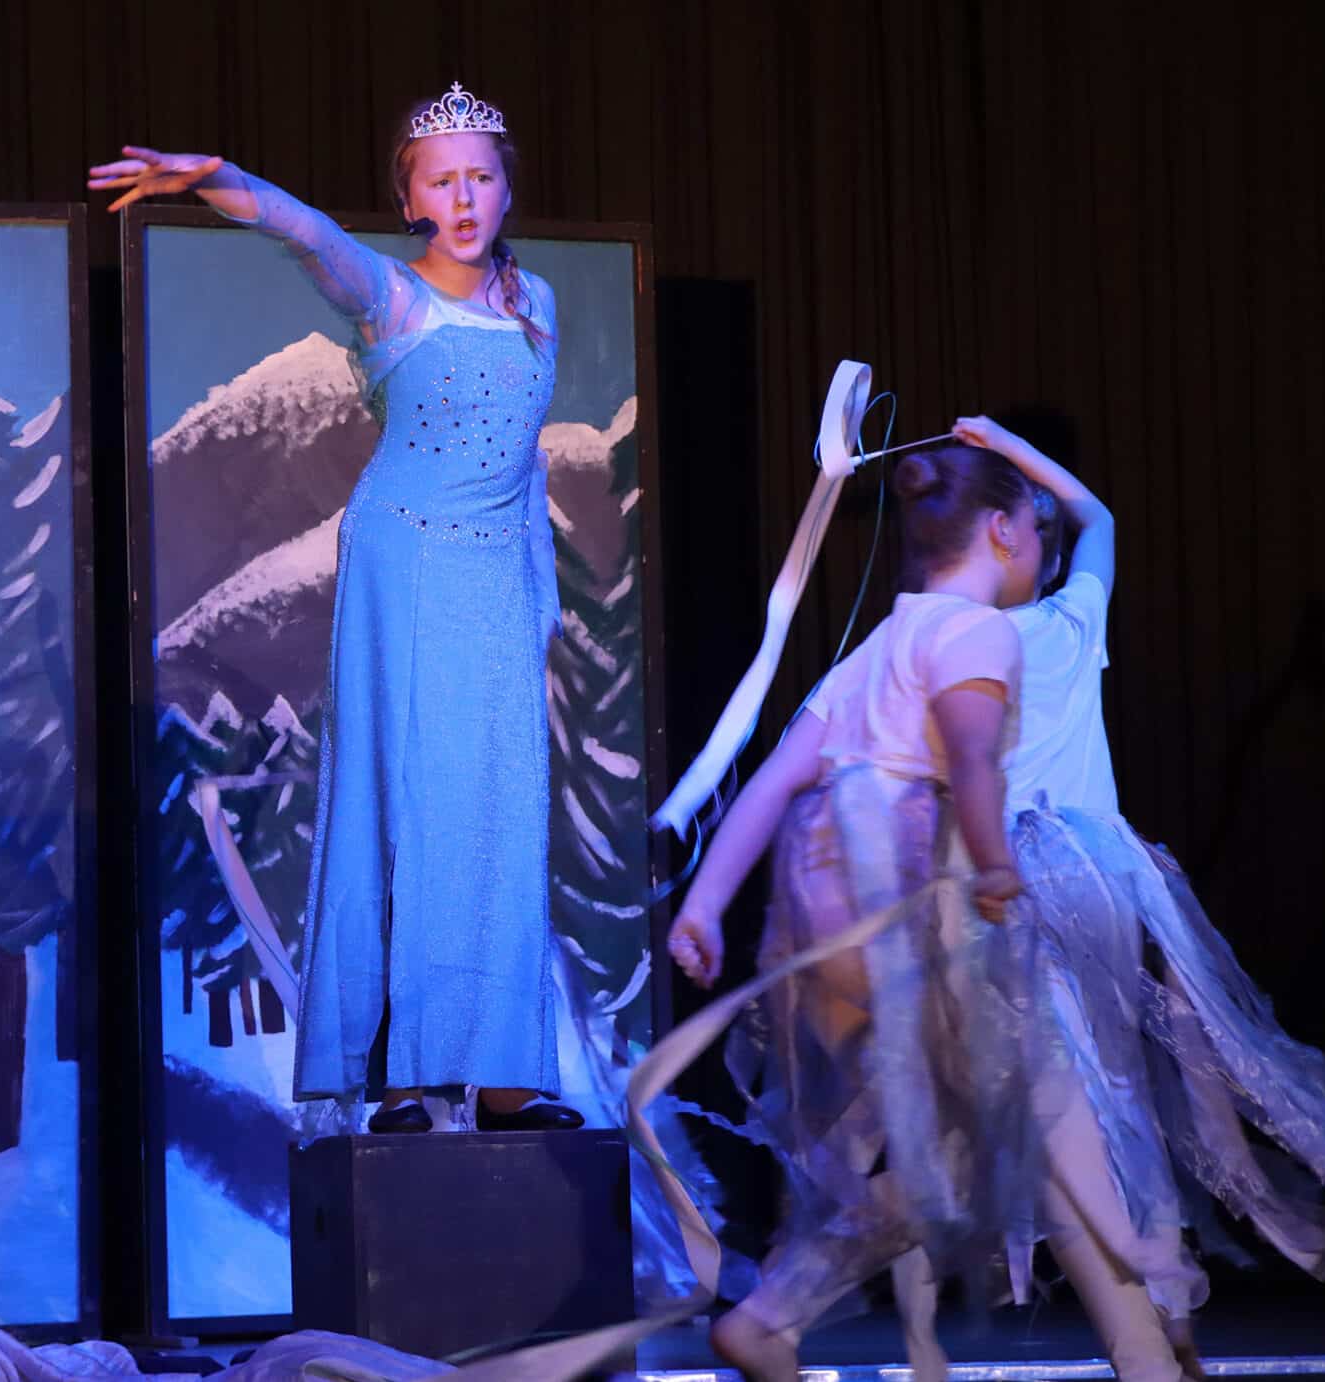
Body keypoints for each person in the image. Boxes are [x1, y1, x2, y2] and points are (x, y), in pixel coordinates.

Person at [90, 82, 580, 1133]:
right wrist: (219, 178)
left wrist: (539, 597)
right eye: (440, 182)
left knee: (498, 812)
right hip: (406, 563)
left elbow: (526, 461)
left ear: (506, 189)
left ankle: (502, 1072)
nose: (463, 198)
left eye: (480, 178)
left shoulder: (536, 301)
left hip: (497, 578)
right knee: (407, 802)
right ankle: (402, 1075)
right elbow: (308, 233)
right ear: (409, 200)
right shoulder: (391, 296)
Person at [953, 415, 1325, 1376]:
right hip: (1101, 887)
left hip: (1014, 892)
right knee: (1121, 1086)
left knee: (1078, 1098)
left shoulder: (953, 644)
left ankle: (1145, 1301)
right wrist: (1005, 442)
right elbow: (1098, 515)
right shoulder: (1070, 621)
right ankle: (1162, 1310)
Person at [666, 443, 1048, 1381]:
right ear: (1002, 531)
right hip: (892, 895)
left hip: (815, 911)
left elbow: (773, 781)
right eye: (1039, 529)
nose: (1043, 548)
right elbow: (972, 760)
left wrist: (704, 906)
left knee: (886, 1131)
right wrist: (996, 866)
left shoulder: (878, 648)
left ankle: (776, 1313)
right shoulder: (978, 632)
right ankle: (773, 1312)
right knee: (986, 1143)